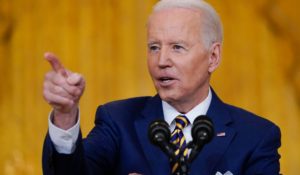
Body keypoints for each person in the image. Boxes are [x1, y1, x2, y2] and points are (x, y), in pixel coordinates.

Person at [42, 0, 281, 175]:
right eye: (154, 47)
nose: (161, 60)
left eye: (177, 47)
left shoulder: (256, 136)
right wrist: (65, 115)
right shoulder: (117, 121)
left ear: (213, 56)